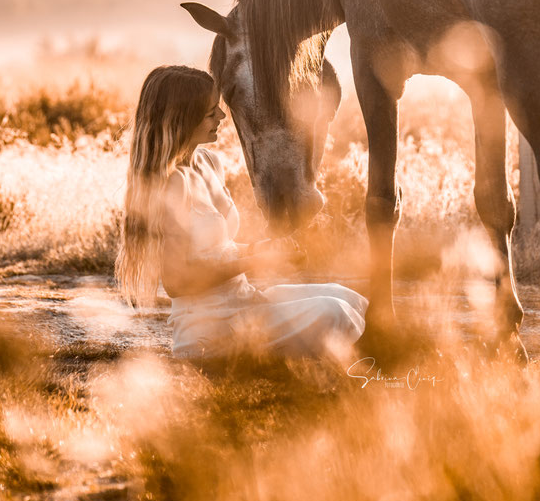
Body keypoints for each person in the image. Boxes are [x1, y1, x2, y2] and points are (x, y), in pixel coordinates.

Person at [116, 64, 368, 361]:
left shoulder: (209, 162)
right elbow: (177, 282)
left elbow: (219, 248)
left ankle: (356, 370)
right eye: (211, 112)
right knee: (333, 312)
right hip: (209, 324)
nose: (222, 117)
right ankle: (348, 375)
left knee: (350, 298)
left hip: (243, 298)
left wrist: (268, 248)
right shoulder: (171, 185)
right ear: (182, 119)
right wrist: (255, 261)